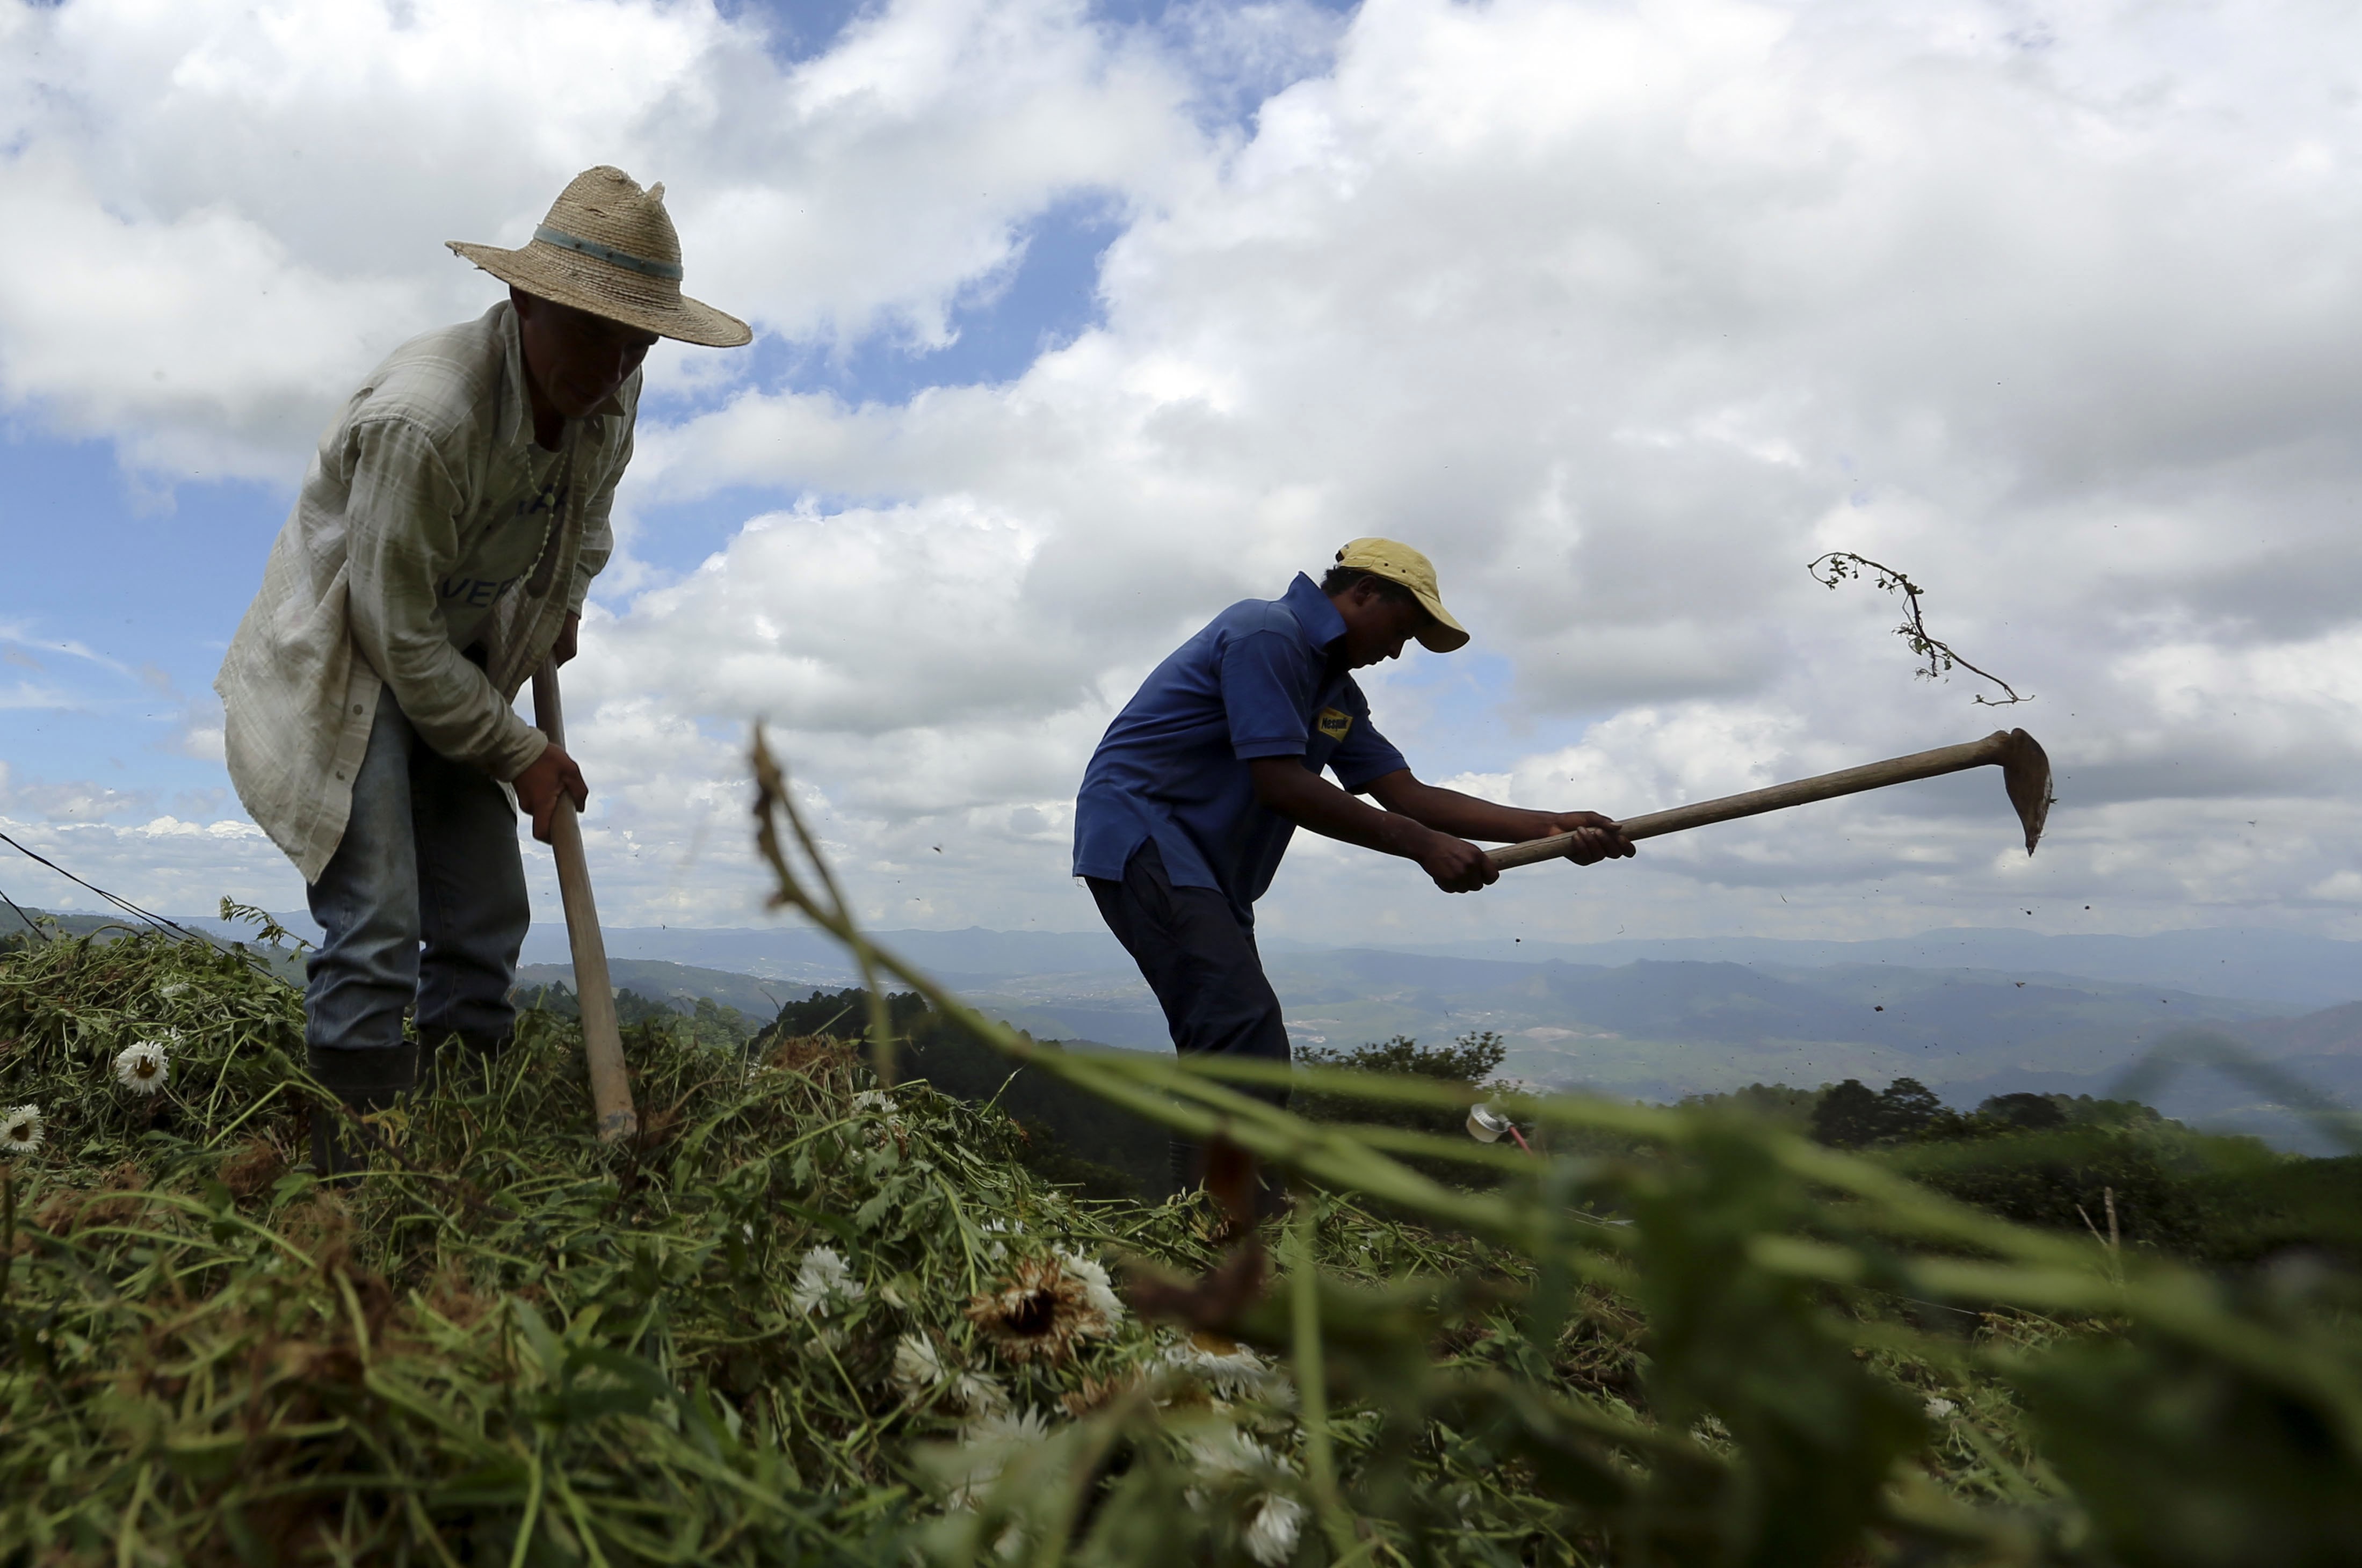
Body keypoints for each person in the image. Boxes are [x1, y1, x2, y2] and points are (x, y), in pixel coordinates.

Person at [215, 167, 750, 1174]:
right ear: (524, 302)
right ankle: (358, 1171)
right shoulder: (428, 419)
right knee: (377, 915)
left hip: (456, 643)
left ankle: (463, 1133)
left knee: (488, 911)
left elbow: (586, 518)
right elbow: (394, 634)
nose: (614, 365)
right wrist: (523, 754)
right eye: (593, 332)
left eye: (638, 342)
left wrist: (566, 604)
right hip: (353, 650)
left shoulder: (613, 391)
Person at [1073, 539, 1634, 1204]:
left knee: (1245, 1040)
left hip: (1208, 871)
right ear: (1363, 592)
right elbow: (1281, 783)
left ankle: (1223, 1210)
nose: (1396, 652)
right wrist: (1424, 846)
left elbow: (1407, 792)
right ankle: (1219, 1218)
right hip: (1147, 839)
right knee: (1237, 1024)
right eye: (1400, 631)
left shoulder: (1335, 690)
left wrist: (1552, 827)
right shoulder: (1267, 633)